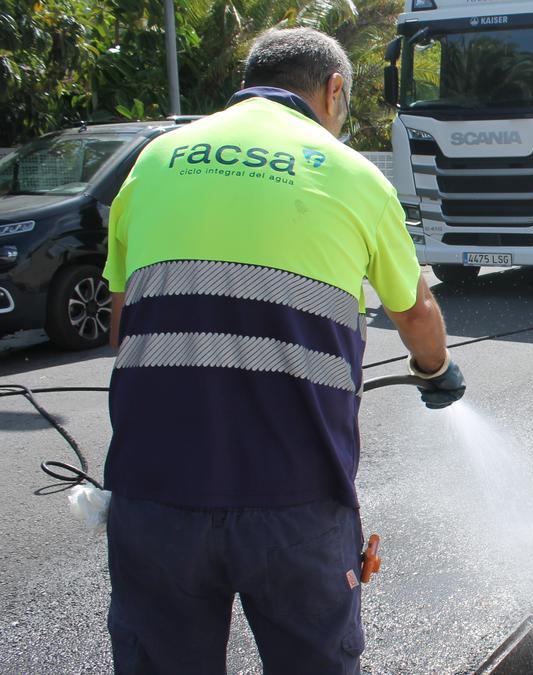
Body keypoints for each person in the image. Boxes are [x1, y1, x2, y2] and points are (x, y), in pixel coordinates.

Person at [101, 27, 464, 673]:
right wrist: (436, 371)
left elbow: (120, 327)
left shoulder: (155, 159)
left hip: (153, 492)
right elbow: (415, 311)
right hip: (295, 498)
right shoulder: (353, 174)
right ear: (333, 90)